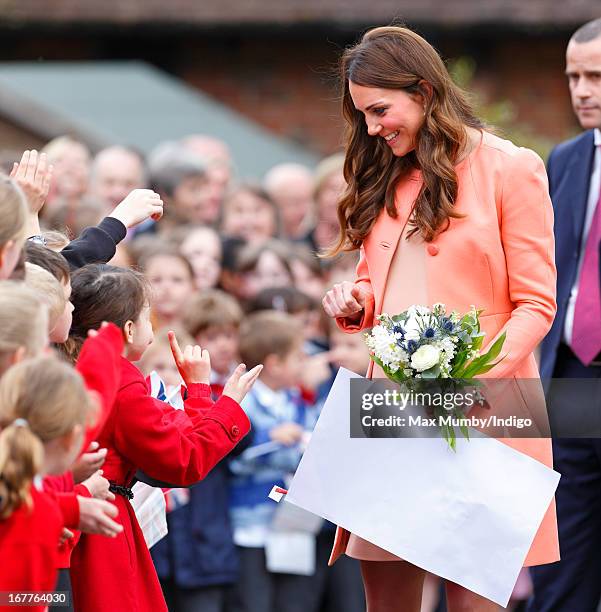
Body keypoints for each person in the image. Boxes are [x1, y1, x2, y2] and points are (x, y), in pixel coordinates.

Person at [321, 26, 558, 612]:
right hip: (390, 411)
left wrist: (472, 382)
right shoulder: (382, 169)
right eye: (363, 115)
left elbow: (537, 304)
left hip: (490, 408)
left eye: (380, 110)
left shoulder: (512, 167)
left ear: (424, 91)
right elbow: (378, 280)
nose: (372, 127)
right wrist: (357, 303)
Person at [65, 264, 262, 612]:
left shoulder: (73, 364)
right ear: (128, 328)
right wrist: (218, 398)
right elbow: (183, 460)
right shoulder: (120, 378)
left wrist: (199, 396)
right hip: (101, 523)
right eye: (146, 317)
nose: (151, 327)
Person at [530, 18, 601, 612]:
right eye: (574, 76)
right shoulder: (567, 159)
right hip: (569, 379)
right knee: (564, 563)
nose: (582, 89)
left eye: (596, 76)